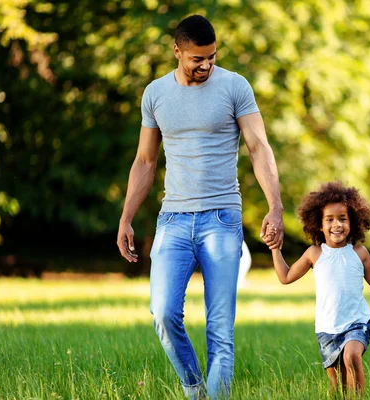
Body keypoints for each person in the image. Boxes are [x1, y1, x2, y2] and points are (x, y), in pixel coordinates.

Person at [116, 15, 284, 399]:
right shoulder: (155, 94)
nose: (206, 65)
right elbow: (145, 161)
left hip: (222, 219)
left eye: (211, 57)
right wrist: (125, 218)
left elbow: (259, 147)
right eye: (197, 58)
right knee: (162, 313)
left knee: (220, 329)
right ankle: (194, 386)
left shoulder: (235, 87)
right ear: (177, 51)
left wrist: (275, 206)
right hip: (172, 220)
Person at [268, 182, 370, 396]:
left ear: (353, 222)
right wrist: (275, 248)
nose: (336, 225)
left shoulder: (360, 253)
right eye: (329, 220)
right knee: (336, 388)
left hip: (356, 323)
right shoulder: (314, 253)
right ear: (319, 225)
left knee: (351, 356)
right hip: (327, 329)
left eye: (342, 218)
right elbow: (285, 277)